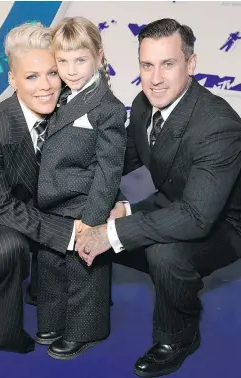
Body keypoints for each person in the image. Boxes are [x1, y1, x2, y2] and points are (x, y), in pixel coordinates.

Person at [76, 18, 241, 377]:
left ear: (191, 65)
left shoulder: (219, 124)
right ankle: (74, 298)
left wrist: (112, 232)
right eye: (147, 65)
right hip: (174, 201)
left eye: (168, 64)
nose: (155, 78)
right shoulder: (143, 103)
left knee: (163, 252)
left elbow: (197, 217)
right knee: (88, 205)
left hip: (223, 224)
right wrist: (78, 183)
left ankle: (177, 337)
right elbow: (119, 161)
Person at [0, 22, 82, 354]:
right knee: (8, 246)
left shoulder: (71, 108)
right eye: (32, 77)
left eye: (52, 73)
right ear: (12, 80)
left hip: (43, 209)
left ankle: (49, 291)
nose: (46, 86)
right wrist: (69, 234)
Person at [35, 16, 127, 360]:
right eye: (63, 61)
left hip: (83, 202)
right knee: (49, 263)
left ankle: (87, 328)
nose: (71, 70)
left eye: (80, 59)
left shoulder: (108, 108)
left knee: (83, 266)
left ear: (99, 57)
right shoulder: (58, 97)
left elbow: (108, 169)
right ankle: (55, 320)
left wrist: (93, 219)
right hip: (52, 201)